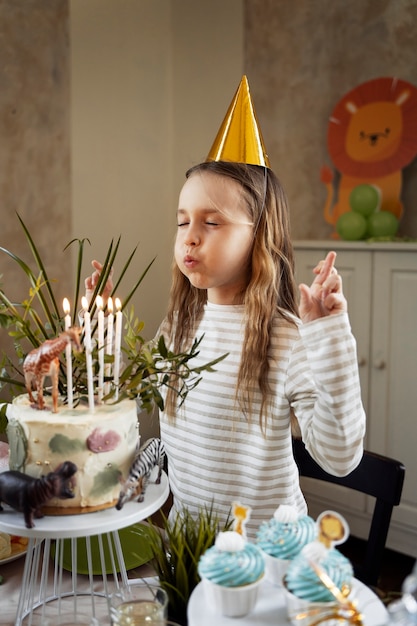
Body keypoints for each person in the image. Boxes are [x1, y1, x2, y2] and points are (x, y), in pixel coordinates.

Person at [85, 77, 366, 538]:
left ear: (259, 236)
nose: (190, 236)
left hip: (269, 562)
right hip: (190, 553)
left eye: (211, 222)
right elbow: (120, 399)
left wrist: (330, 336)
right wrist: (105, 332)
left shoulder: (288, 339)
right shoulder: (180, 326)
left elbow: (340, 457)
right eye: (182, 222)